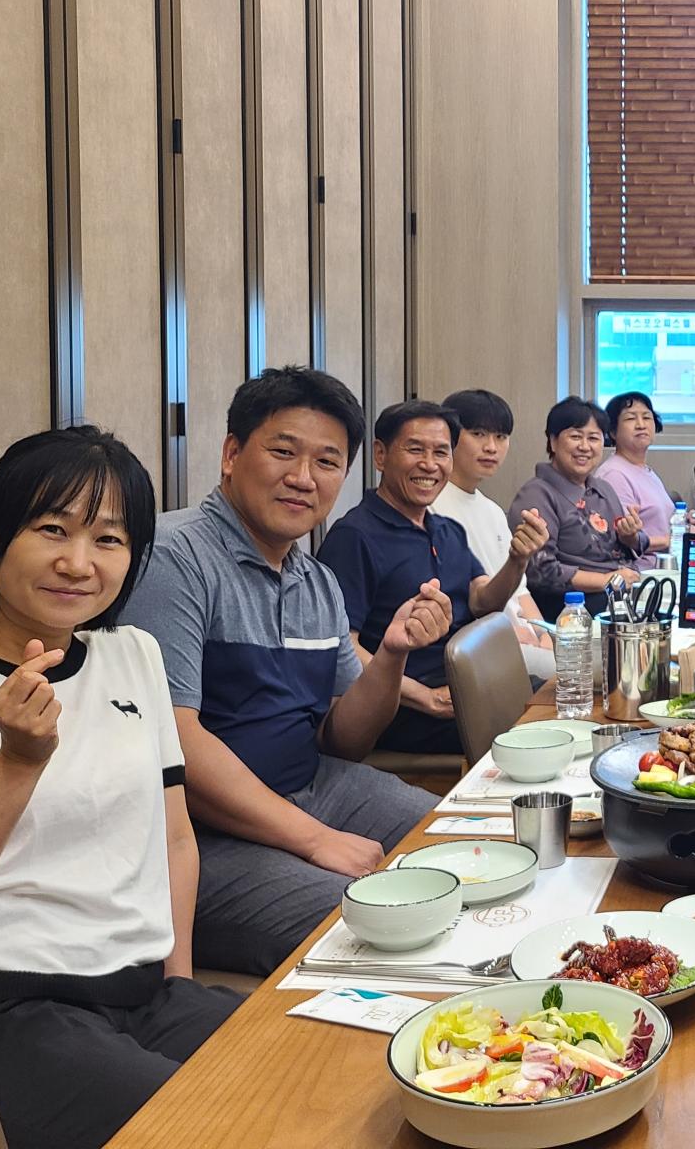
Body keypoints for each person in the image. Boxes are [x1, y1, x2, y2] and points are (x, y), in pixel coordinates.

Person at [0, 426, 240, 1149]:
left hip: (137, 995)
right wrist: (17, 764)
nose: (78, 563)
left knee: (311, 1066)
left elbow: (174, 839)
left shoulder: (134, 656)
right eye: (53, 529)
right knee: (216, 1130)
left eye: (109, 539)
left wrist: (177, 984)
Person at [122, 368, 457, 977]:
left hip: (310, 784)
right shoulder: (173, 557)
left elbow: (343, 738)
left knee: (459, 844)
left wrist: (391, 655)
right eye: (283, 452)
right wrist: (315, 839)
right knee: (379, 924)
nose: (304, 477)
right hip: (197, 835)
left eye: (327, 462)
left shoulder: (315, 580)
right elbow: (174, 740)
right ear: (231, 454)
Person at [318, 400, 548, 755]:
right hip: (405, 708)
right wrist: (425, 698)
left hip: (469, 682)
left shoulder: (447, 529)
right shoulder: (354, 536)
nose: (429, 464)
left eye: (441, 452)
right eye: (415, 449)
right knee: (542, 733)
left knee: (563, 700)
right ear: (380, 455)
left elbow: (482, 601)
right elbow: (343, 646)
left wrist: (517, 561)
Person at [435, 388, 556, 687]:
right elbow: (465, 602)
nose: (491, 447)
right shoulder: (432, 507)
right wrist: (514, 634)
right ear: (450, 437)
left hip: (522, 640)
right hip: (483, 646)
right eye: (478, 434)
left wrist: (544, 634)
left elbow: (521, 592)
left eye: (501, 437)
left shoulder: (492, 510)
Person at [509, 397, 650, 619]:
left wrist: (630, 536)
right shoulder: (537, 494)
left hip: (622, 596)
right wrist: (606, 581)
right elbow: (539, 570)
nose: (584, 447)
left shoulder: (603, 488)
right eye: (575, 436)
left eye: (593, 438)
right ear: (553, 442)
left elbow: (634, 545)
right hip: (574, 609)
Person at [592, 391, 676, 567]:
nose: (641, 425)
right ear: (612, 431)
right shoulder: (614, 474)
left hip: (665, 566)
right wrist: (674, 540)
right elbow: (621, 539)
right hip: (642, 573)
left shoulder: (645, 471)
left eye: (647, 417)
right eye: (631, 418)